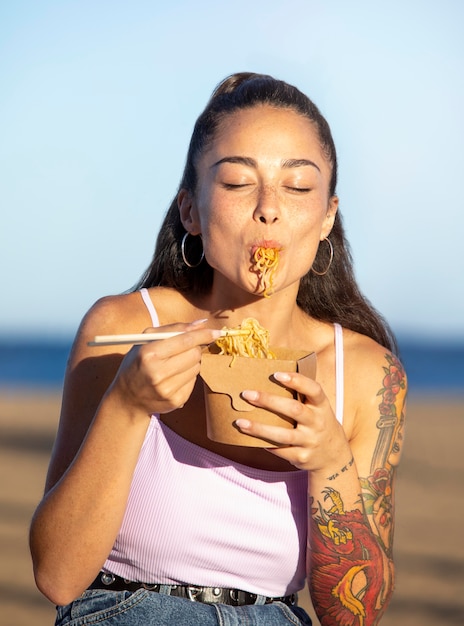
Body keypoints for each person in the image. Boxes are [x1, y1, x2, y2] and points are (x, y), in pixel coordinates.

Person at [29, 72, 407, 626]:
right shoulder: (125, 328)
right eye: (236, 183)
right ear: (191, 211)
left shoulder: (369, 376)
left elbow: (357, 615)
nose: (269, 209)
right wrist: (128, 405)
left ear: (327, 216)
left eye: (298, 187)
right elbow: (57, 576)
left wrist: (331, 460)